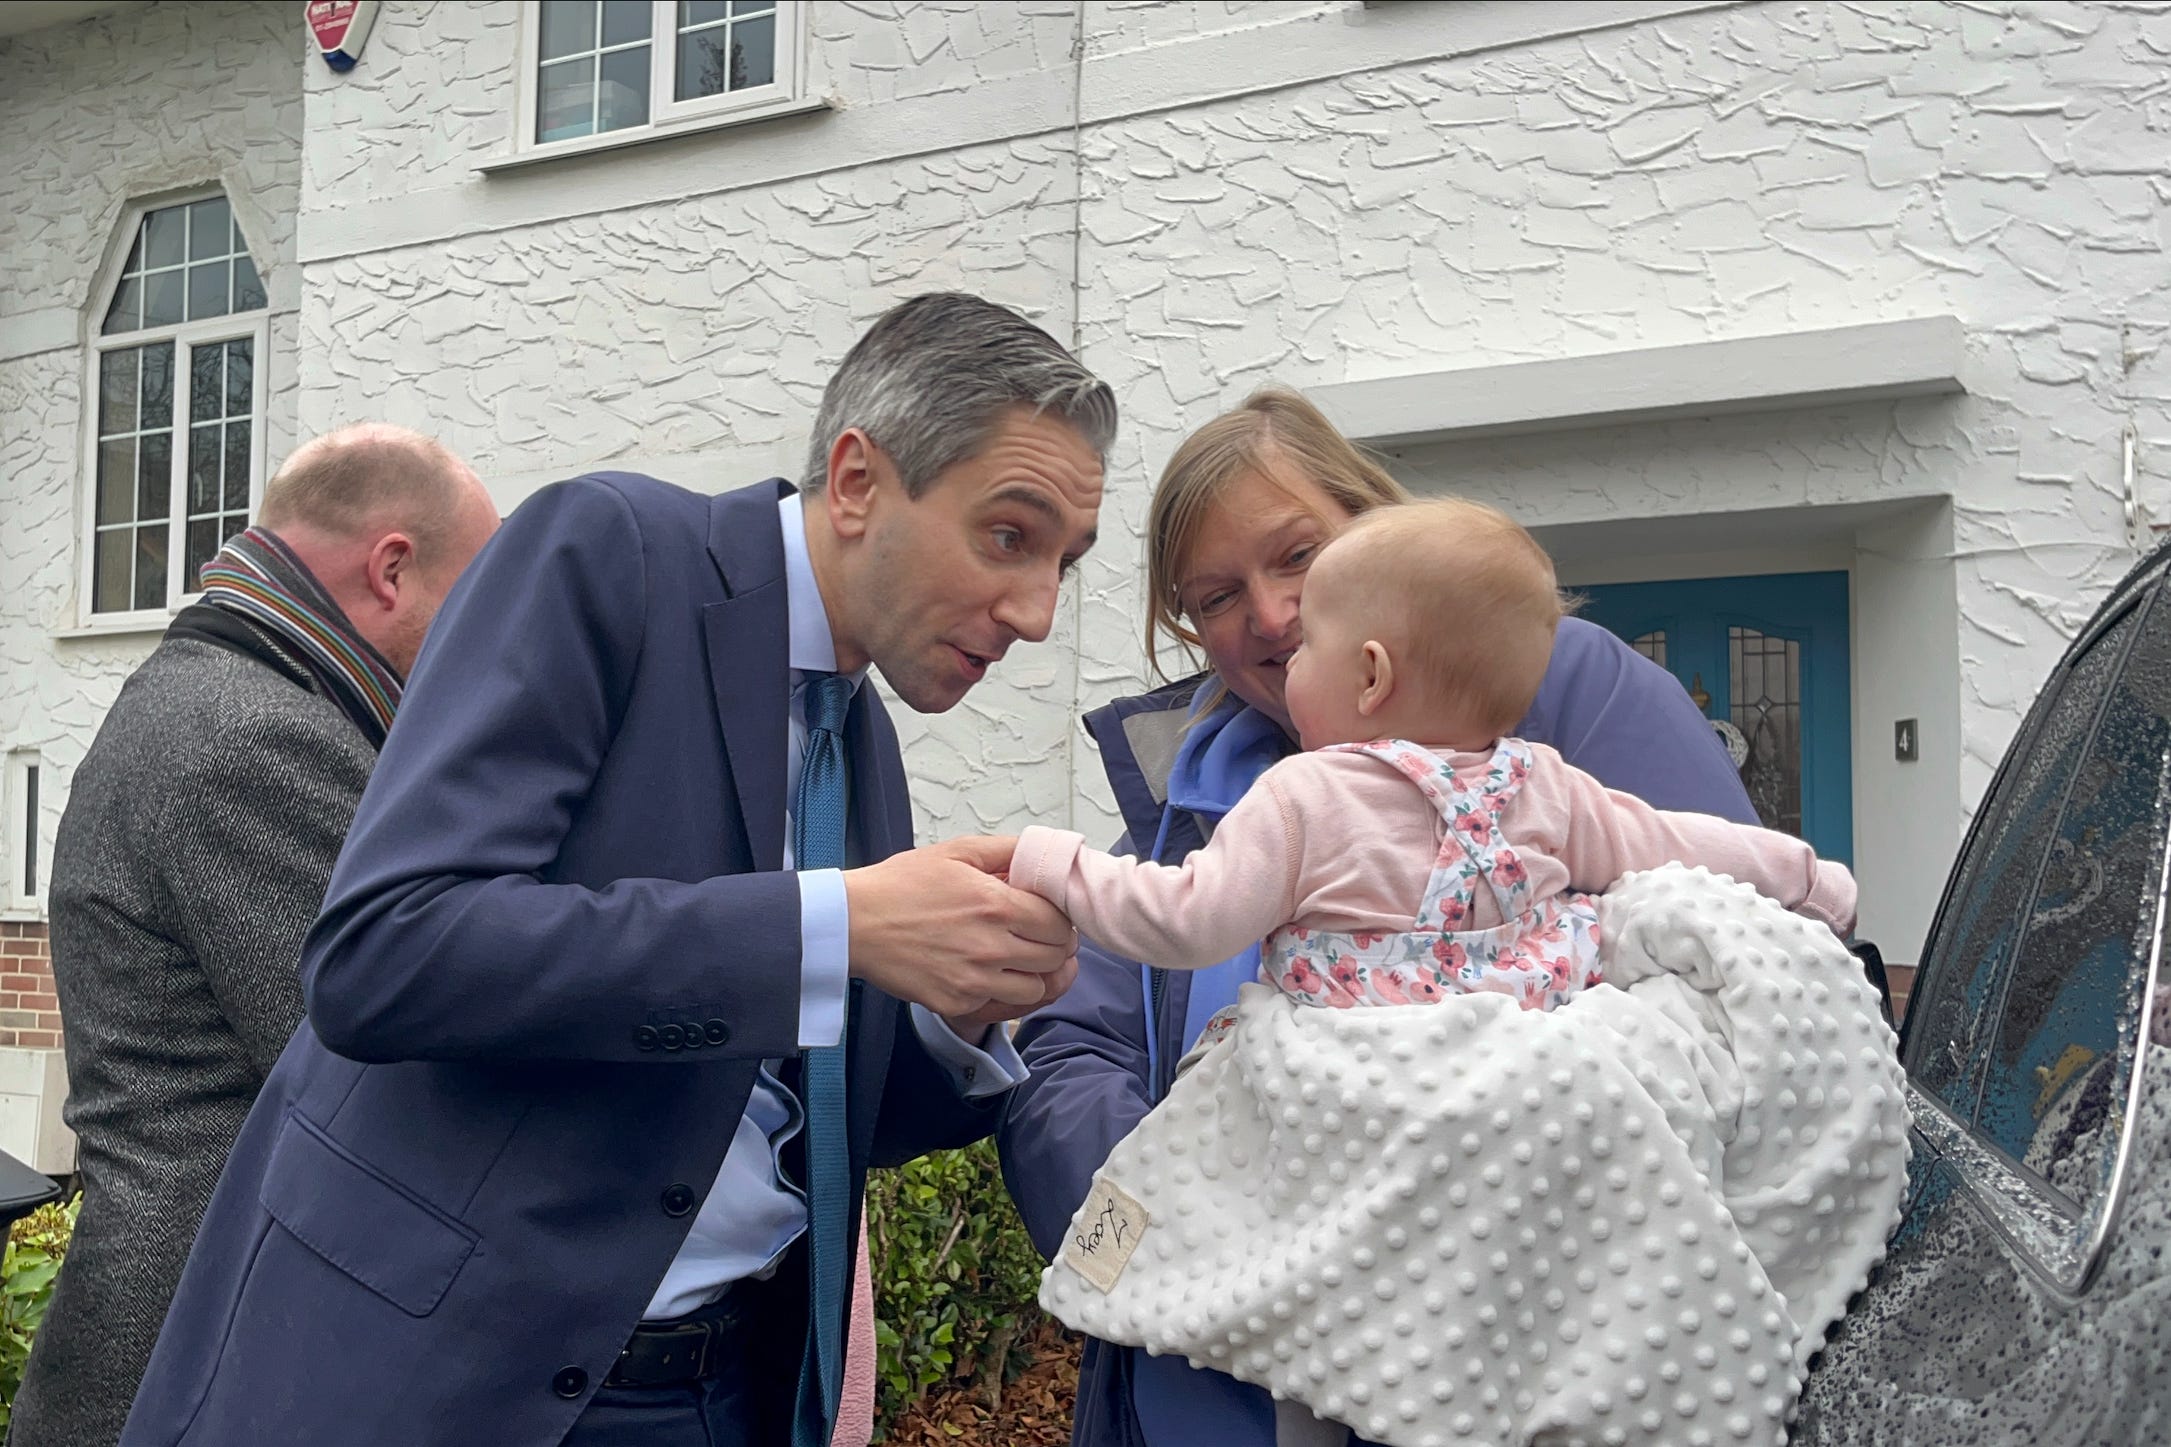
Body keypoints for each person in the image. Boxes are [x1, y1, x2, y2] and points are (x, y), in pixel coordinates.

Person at [120, 293, 1112, 1447]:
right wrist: (832, 924)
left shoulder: (860, 740)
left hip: (719, 1390)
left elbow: (808, 1110)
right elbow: (382, 955)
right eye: (1008, 535)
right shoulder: (609, 553)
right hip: (437, 1379)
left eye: (1065, 563)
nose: (1036, 612)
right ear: (854, 482)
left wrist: (960, 1012)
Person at [997, 387, 1763, 1447]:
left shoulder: (1563, 699)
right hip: (1208, 1403)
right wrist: (1212, 1223)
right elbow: (1070, 1054)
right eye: (1215, 595)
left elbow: (1725, 934)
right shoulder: (1188, 813)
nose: (1265, 616)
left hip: (1531, 1349)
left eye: (1295, 554)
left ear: (1373, 523)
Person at [11, 426, 500, 1447]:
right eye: (478, 601)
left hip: (182, 1332)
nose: (486, 646)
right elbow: (399, 1077)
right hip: (202, 1360)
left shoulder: (212, 695)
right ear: (393, 570)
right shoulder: (255, 738)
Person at [1005, 498, 1854, 1019]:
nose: (1282, 648)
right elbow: (1678, 846)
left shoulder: (1303, 795)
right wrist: (1808, 876)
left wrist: (1046, 861)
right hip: (1528, 1077)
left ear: (1369, 675)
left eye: (1309, 648)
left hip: (1353, 1087)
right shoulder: (1545, 785)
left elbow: (1189, 917)